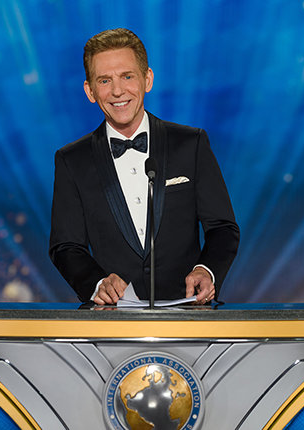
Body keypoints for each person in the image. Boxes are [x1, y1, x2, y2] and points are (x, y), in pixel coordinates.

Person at [49, 28, 239, 305]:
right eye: (104, 80)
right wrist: (98, 283)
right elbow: (66, 246)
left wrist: (206, 270)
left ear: (147, 79)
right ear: (90, 91)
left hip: (189, 315)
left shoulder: (191, 144)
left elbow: (222, 227)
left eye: (127, 76)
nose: (117, 91)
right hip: (112, 320)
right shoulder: (71, 160)